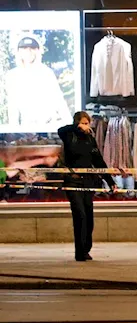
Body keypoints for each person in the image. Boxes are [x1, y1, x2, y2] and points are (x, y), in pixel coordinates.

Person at [57, 111, 114, 262]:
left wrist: (110, 180)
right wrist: (77, 128)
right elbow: (61, 130)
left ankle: (86, 249)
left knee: (89, 217)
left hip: (88, 181)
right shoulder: (69, 136)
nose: (86, 126)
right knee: (80, 215)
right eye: (83, 123)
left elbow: (98, 161)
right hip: (73, 181)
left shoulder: (90, 139)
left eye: (87, 123)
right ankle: (79, 251)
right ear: (77, 123)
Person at [7, 34, 72, 131]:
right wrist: (12, 131)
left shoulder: (47, 72)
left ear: (38, 51)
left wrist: (70, 126)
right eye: (24, 48)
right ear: (19, 52)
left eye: (32, 48)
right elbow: (13, 107)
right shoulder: (12, 75)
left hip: (49, 126)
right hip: (27, 128)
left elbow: (59, 101)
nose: (28, 51)